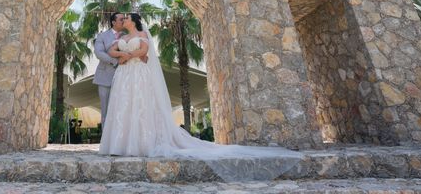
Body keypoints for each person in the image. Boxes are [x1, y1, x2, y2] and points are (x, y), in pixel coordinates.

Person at [98, 13, 303, 168]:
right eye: (121, 19)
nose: (122, 20)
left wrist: (128, 56)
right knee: (123, 107)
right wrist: (120, 56)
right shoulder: (120, 37)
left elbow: (144, 51)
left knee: (141, 105)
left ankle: (140, 143)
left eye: (125, 18)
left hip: (138, 74)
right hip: (124, 76)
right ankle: (121, 144)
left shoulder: (142, 34)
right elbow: (111, 51)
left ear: (132, 21)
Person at [92, 12, 128, 128]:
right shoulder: (102, 36)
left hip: (124, 77)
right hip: (104, 78)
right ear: (113, 22)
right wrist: (115, 61)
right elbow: (99, 53)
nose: (124, 21)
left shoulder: (127, 36)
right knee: (105, 109)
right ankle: (105, 140)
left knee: (122, 108)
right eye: (121, 19)